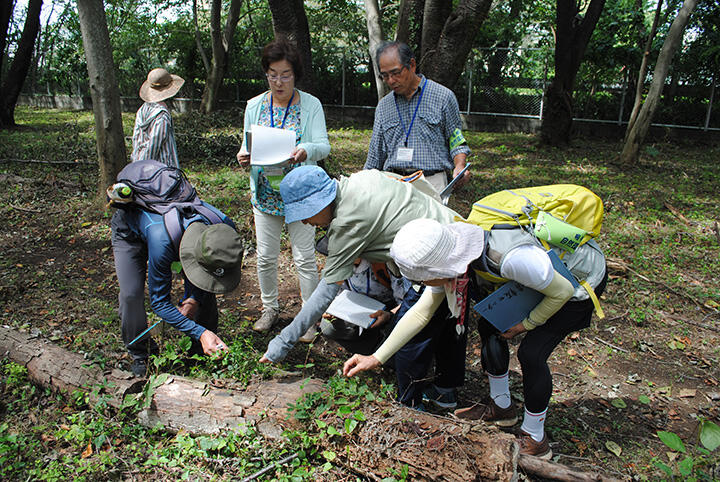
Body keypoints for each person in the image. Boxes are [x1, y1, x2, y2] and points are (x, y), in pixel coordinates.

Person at [343, 218, 607, 458]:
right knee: (490, 329)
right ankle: (502, 407)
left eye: (425, 278)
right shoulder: (453, 257)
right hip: (536, 282)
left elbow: (560, 291)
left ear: (438, 269)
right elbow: (421, 313)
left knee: (531, 353)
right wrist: (376, 357)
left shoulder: (512, 259)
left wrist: (526, 324)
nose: (425, 283)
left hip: (577, 282)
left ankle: (535, 437)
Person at [260, 166, 466, 409]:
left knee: (410, 342)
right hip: (457, 239)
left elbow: (326, 290)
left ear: (320, 204)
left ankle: (411, 408)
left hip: (431, 260)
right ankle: (445, 393)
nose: (305, 221)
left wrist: (282, 342)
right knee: (450, 319)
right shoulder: (359, 179)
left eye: (306, 214)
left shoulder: (348, 222)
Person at [235, 38, 329, 335]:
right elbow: (246, 143)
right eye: (273, 74)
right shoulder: (254, 105)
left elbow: (323, 146)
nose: (278, 81)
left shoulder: (310, 105)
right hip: (265, 193)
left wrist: (306, 150)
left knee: (303, 257)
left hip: (301, 195)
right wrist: (243, 155)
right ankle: (270, 308)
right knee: (265, 256)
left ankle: (310, 317)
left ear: (295, 74)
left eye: (285, 74)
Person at [111, 203, 243, 377]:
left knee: (208, 284)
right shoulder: (162, 243)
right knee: (131, 296)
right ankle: (142, 354)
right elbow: (159, 302)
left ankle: (200, 353)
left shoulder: (226, 231)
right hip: (130, 233)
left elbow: (208, 273)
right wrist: (200, 332)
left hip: (178, 235)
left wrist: (193, 298)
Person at [364, 41, 471, 199]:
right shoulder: (384, 106)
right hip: (394, 184)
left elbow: (456, 141)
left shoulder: (443, 97)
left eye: (395, 73)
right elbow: (375, 156)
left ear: (412, 65)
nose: (391, 80)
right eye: (385, 75)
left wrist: (460, 166)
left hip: (432, 183)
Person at [131, 68, 184, 167]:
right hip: (161, 169)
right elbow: (154, 145)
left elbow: (136, 138)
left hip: (140, 161)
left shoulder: (142, 109)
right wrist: (143, 167)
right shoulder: (162, 116)